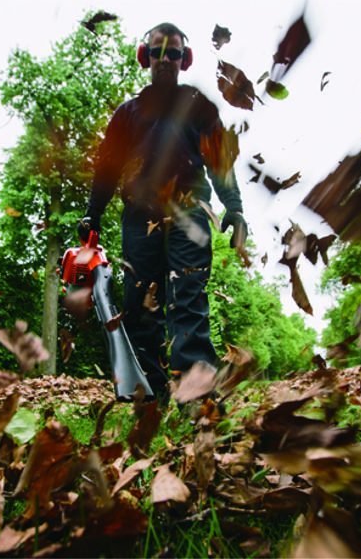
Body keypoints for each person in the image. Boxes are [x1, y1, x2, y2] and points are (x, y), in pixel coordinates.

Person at [77, 22, 247, 402]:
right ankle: (148, 399)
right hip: (139, 219)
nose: (165, 59)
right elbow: (106, 169)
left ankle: (197, 397)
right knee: (139, 306)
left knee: (187, 299)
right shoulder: (127, 114)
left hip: (190, 211)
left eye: (173, 53)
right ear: (145, 57)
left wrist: (233, 208)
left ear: (184, 60)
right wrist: (93, 215)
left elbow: (220, 162)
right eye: (157, 52)